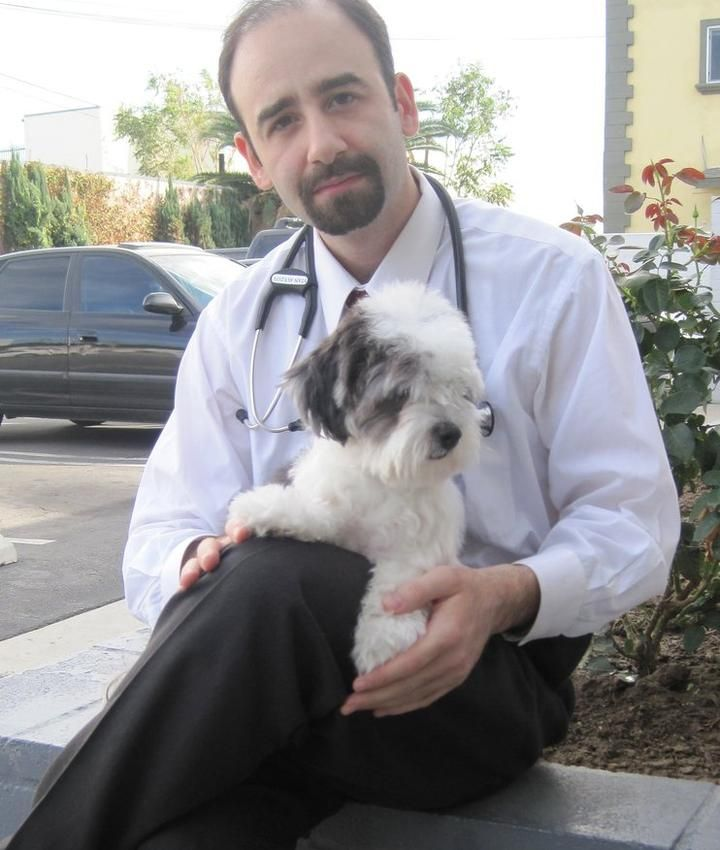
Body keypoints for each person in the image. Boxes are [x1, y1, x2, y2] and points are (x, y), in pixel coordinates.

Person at [3, 1, 679, 848]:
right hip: (283, 700)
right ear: (252, 158)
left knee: (274, 575)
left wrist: (501, 596)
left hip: (472, 688)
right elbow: (159, 536)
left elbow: (637, 527)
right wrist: (196, 562)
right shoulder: (238, 321)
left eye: (343, 97)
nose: (319, 143)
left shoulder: (552, 282)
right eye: (281, 121)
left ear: (402, 103)